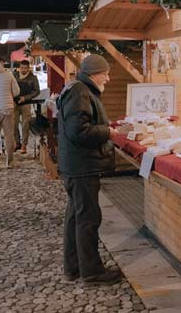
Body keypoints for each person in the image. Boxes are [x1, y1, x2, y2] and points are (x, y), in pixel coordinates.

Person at [56, 54, 120, 285]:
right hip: (81, 166)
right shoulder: (80, 92)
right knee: (88, 219)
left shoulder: (79, 89)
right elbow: (79, 131)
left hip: (75, 166)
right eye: (106, 74)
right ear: (95, 73)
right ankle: (92, 272)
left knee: (76, 217)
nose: (109, 79)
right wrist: (108, 132)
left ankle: (74, 269)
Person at [13, 60, 41, 155]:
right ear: (19, 67)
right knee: (14, 123)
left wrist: (26, 98)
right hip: (15, 102)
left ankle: (24, 144)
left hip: (26, 102)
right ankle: (17, 142)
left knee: (25, 124)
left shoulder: (32, 78)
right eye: (22, 68)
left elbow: (37, 91)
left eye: (25, 68)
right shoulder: (15, 76)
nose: (23, 70)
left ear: (28, 68)